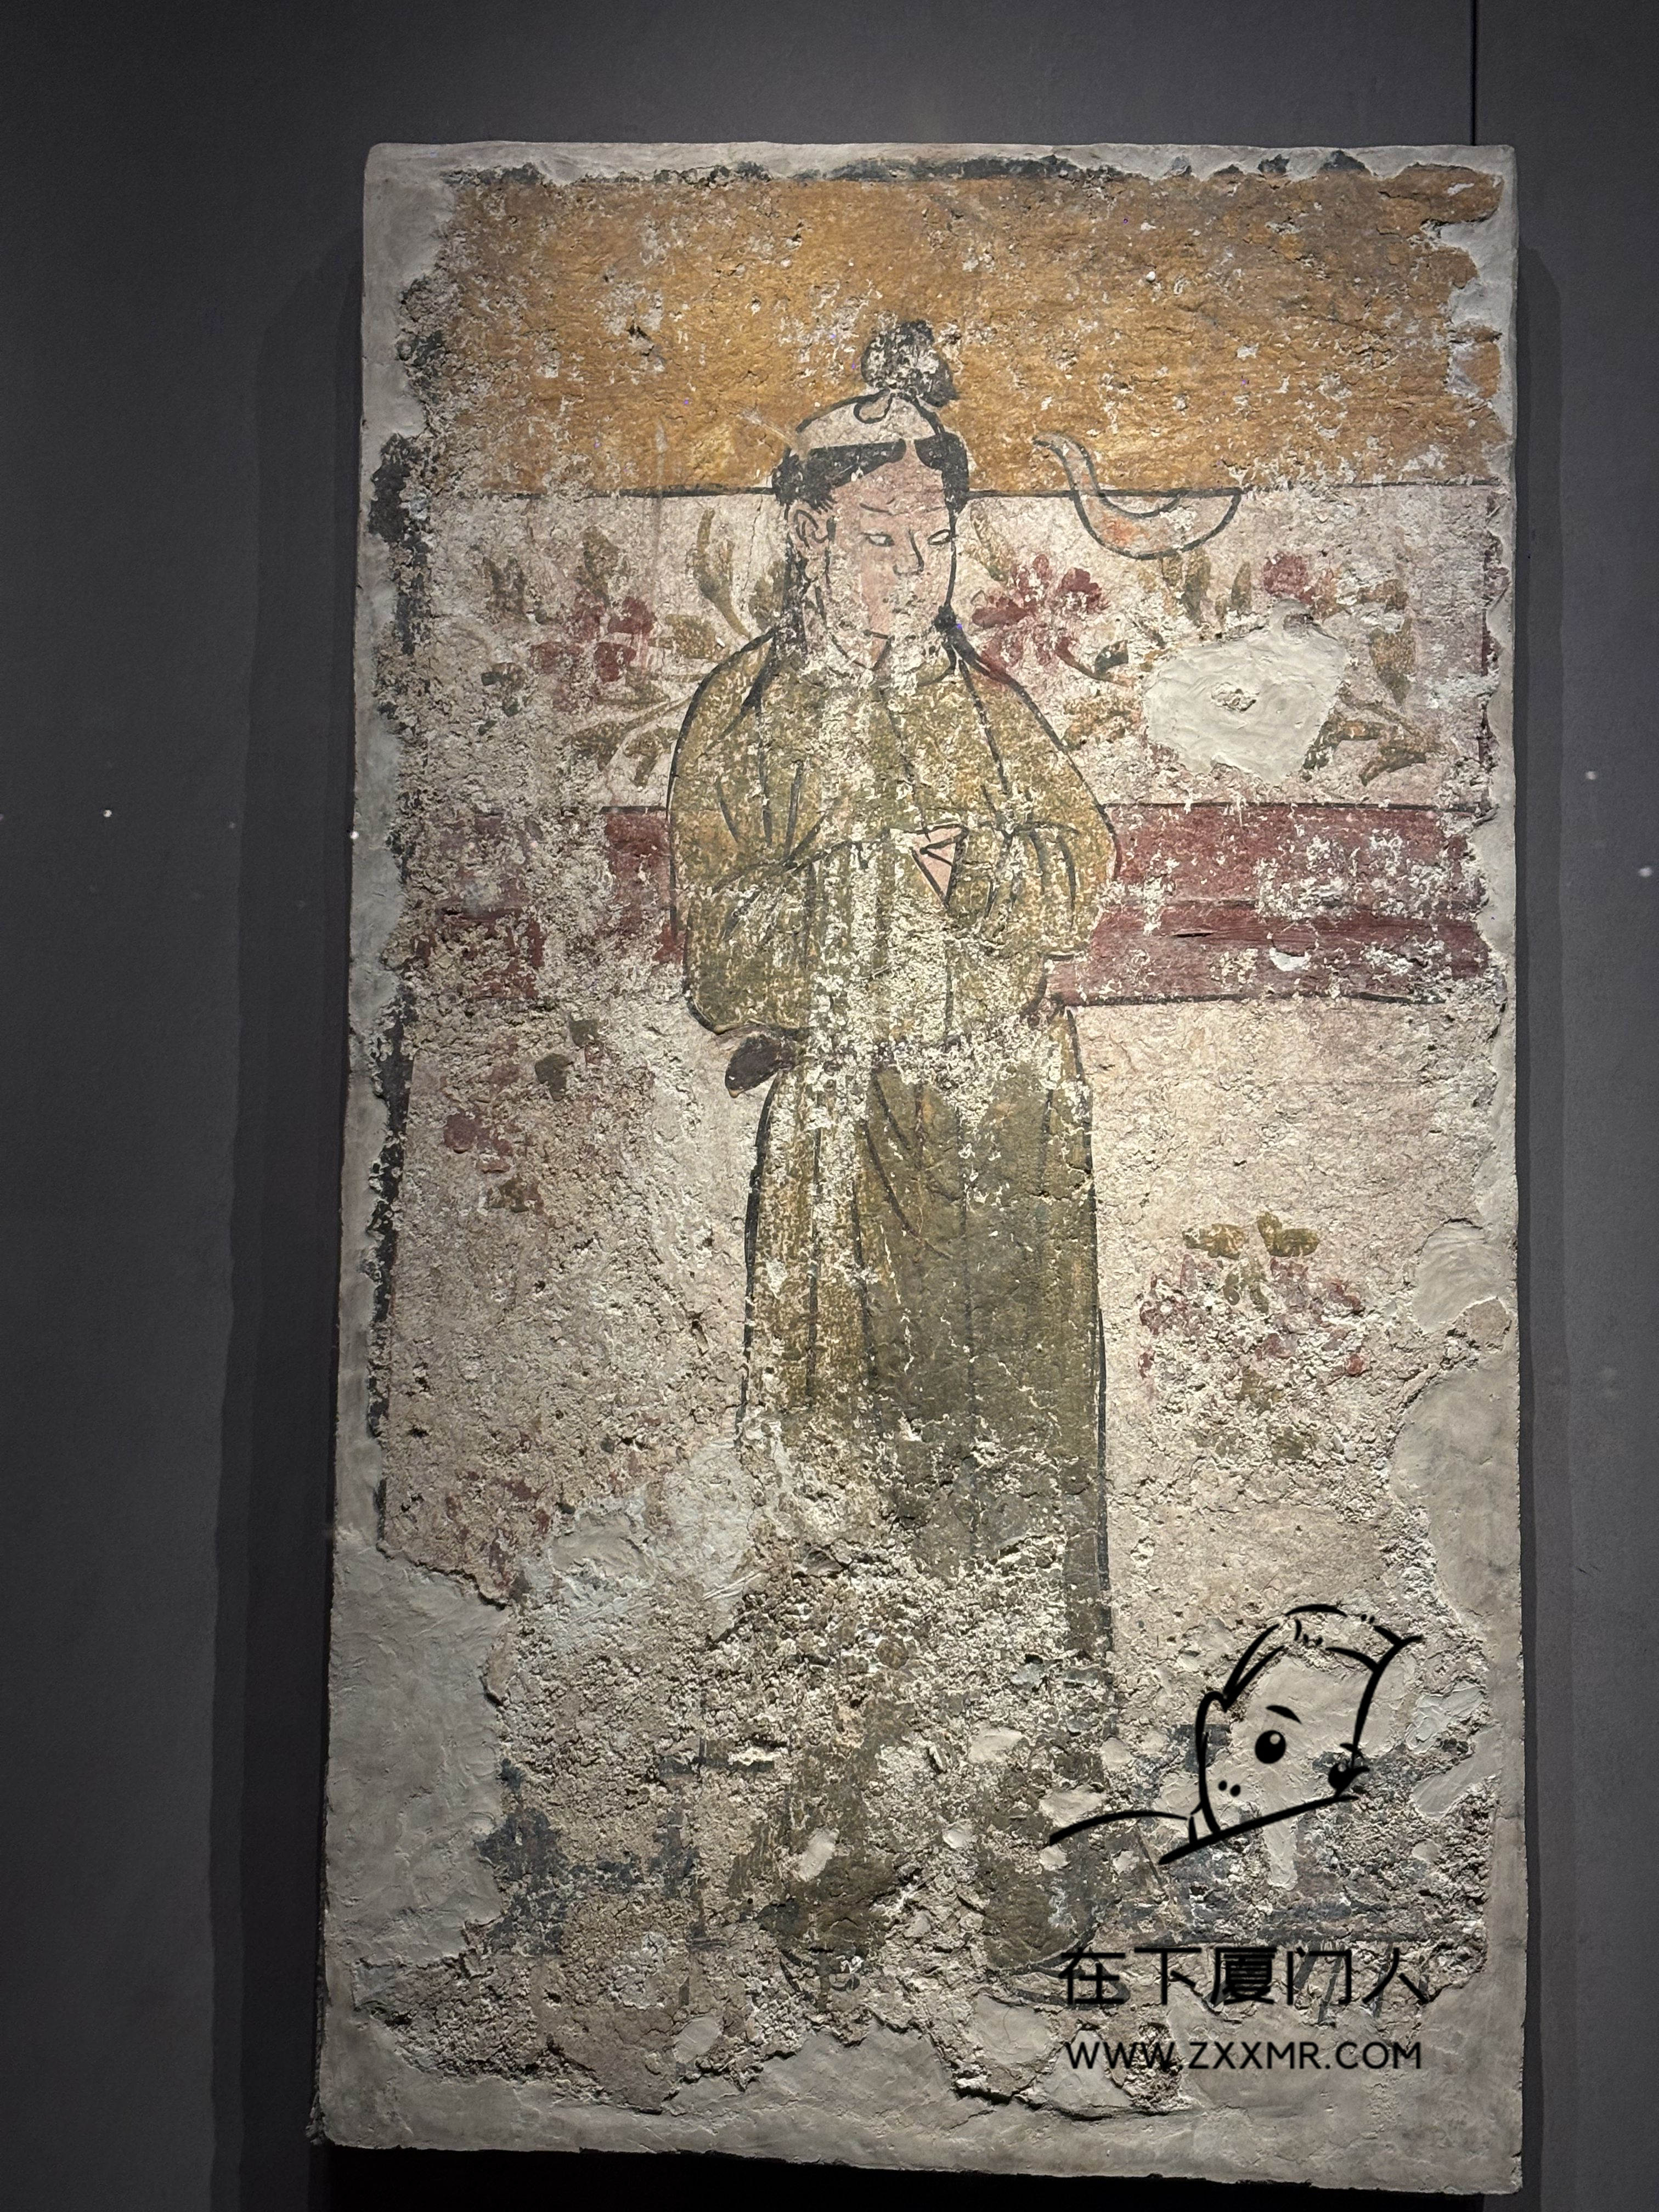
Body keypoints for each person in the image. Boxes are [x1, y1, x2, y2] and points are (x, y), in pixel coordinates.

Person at [668, 322, 1117, 1652]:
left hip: (1008, 1126)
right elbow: (721, 955)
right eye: (879, 539)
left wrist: (976, 869)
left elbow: (1080, 875)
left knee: (1016, 1441)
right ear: (810, 536)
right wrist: (867, 878)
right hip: (843, 1129)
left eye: (935, 541)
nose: (912, 572)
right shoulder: (744, 715)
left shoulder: (987, 708)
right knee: (841, 1453)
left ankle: (1031, 1710)